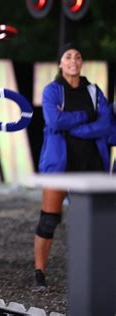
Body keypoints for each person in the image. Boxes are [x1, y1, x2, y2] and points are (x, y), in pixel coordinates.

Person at [34, 43, 112, 291]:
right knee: (48, 221)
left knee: (89, 224)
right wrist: (86, 116)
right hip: (60, 163)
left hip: (91, 163)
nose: (73, 60)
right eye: (68, 56)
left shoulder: (93, 91)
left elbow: (106, 125)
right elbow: (54, 121)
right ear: (60, 63)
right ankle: (39, 274)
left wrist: (74, 125)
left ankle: (90, 276)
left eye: (78, 56)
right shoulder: (52, 90)